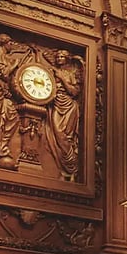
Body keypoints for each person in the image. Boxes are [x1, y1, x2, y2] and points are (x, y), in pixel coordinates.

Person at [0, 33, 31, 169]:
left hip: (2, 91)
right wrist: (14, 65)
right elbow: (4, 73)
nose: (12, 46)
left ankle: (2, 147)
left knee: (13, 116)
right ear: (4, 43)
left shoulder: (4, 56)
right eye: (10, 43)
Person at [44, 49, 83, 181]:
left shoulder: (69, 74)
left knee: (66, 136)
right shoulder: (52, 72)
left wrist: (62, 79)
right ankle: (65, 165)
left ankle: (71, 167)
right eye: (58, 57)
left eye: (62, 57)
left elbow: (74, 92)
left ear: (66, 59)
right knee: (57, 132)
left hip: (69, 106)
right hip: (56, 103)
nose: (59, 59)